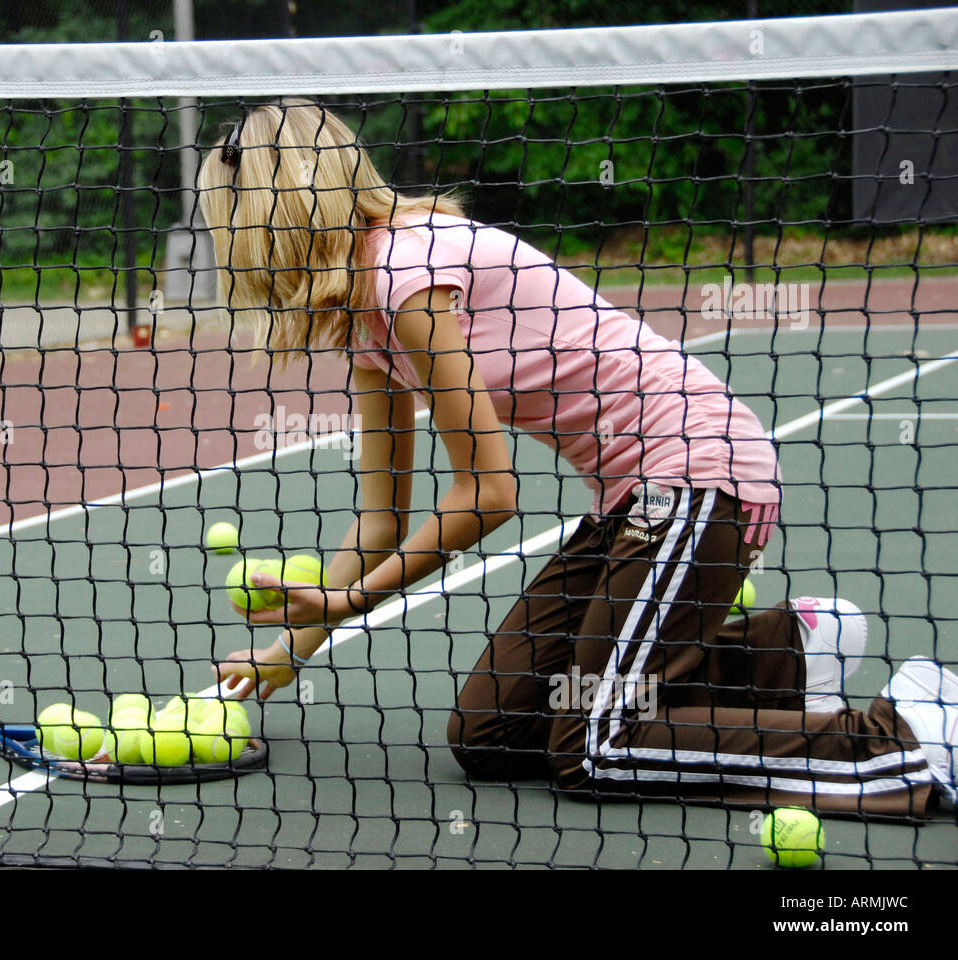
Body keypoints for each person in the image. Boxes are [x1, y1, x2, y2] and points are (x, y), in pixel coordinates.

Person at [201, 99, 956, 817]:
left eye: (229, 222)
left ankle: (908, 740)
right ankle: (784, 656)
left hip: (696, 469)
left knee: (595, 746)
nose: (227, 246)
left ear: (276, 219)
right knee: (490, 733)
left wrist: (350, 602)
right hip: (629, 498)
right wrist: (284, 655)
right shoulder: (365, 319)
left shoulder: (408, 279)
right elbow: (381, 516)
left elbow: (489, 493)